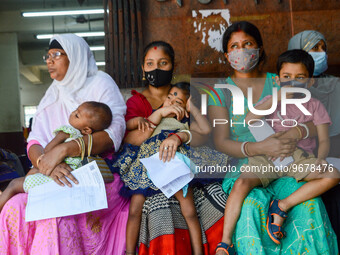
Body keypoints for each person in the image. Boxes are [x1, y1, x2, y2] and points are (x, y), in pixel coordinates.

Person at [208, 21, 338, 255]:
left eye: (248, 44)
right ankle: (224, 245)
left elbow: (313, 118)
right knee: (251, 205)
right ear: (227, 55)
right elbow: (221, 142)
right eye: (235, 46)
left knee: (310, 205)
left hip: (292, 159)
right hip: (250, 163)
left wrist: (297, 132)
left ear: (259, 48)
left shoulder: (282, 78)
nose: (242, 51)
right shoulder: (221, 92)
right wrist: (258, 147)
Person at [0, 34, 130, 255]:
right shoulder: (51, 96)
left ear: (76, 57)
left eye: (56, 55)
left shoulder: (100, 83)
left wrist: (64, 150)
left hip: (95, 171)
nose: (49, 61)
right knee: (14, 207)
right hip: (51, 171)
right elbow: (35, 141)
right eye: (47, 56)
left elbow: (113, 133)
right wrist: (44, 163)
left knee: (53, 213)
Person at [122, 41, 230, 254]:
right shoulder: (138, 103)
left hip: (176, 159)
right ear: (143, 67)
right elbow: (127, 135)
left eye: (163, 63)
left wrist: (182, 131)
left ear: (173, 65)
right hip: (147, 162)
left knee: (192, 207)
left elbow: (204, 134)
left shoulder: (185, 107)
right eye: (150, 63)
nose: (156, 68)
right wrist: (158, 114)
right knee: (137, 208)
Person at [117, 82, 212, 255]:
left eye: (179, 101)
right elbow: (130, 127)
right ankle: (130, 252)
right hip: (146, 163)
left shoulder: (185, 122)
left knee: (189, 210)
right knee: (134, 210)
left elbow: (206, 130)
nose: (172, 102)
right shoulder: (155, 116)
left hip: (172, 160)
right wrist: (159, 113)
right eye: (170, 97)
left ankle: (199, 252)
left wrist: (193, 109)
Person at [0, 101, 113, 211]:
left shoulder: (67, 132)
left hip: (55, 179)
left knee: (14, 184)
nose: (72, 113)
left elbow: (48, 151)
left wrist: (56, 143)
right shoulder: (88, 142)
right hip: (71, 180)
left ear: (87, 129)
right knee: (31, 173)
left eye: (77, 115)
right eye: (75, 110)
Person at [288, 30, 340, 157]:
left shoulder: (336, 83)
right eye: (315, 48)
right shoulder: (288, 88)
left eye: (324, 48)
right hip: (300, 149)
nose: (321, 53)